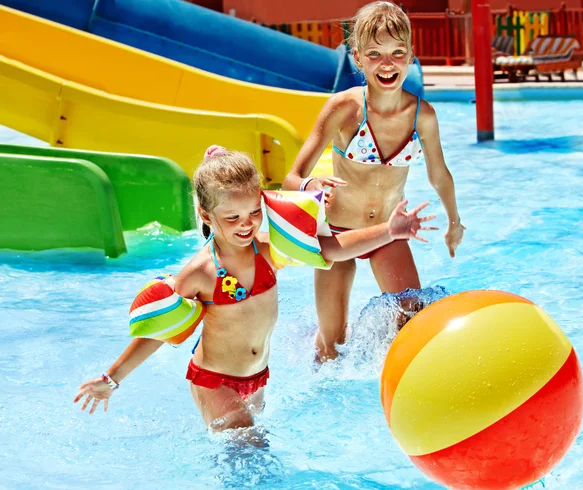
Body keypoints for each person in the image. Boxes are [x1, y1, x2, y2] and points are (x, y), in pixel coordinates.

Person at [73, 145, 436, 431]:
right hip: (214, 382)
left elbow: (330, 249)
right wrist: (112, 378)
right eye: (232, 218)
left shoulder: (266, 251)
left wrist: (390, 230)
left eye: (253, 213)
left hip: (257, 379)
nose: (245, 225)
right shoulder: (201, 273)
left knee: (247, 451)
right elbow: (158, 330)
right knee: (250, 449)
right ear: (205, 215)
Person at [282, 1, 465, 362]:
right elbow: (291, 177)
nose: (387, 64)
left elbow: (439, 174)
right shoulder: (344, 108)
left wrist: (454, 221)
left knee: (413, 319)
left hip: (387, 231)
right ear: (358, 58)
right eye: (375, 54)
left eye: (398, 53)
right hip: (337, 233)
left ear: (411, 55)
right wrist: (309, 187)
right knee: (331, 346)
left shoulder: (421, 116)